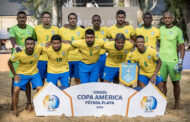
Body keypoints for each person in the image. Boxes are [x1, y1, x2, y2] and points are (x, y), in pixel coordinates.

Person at [8, 37, 43, 116]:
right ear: (25, 45)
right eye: (27, 44)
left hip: (34, 73)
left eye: (31, 44)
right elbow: (9, 62)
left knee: (40, 89)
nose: (29, 46)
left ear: (34, 45)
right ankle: (15, 110)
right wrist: (15, 75)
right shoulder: (19, 53)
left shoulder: (38, 48)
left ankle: (39, 107)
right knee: (16, 90)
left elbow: (48, 43)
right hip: (21, 74)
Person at [8, 11, 36, 110]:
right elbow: (12, 39)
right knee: (15, 80)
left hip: (28, 58)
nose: (22, 19)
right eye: (20, 17)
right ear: (17, 19)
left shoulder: (31, 29)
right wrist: (16, 46)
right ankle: (13, 103)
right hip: (17, 58)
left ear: (26, 19)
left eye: (23, 17)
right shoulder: (13, 29)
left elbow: (35, 40)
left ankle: (28, 103)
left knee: (27, 80)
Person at [160, 12, 185, 109]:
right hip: (162, 61)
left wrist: (180, 61)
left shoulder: (177, 30)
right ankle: (163, 103)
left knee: (176, 83)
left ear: (172, 18)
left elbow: (182, 46)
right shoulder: (160, 29)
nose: (167, 19)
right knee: (162, 83)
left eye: (168, 18)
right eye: (165, 18)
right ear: (163, 19)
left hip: (173, 61)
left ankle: (177, 104)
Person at [58, 12, 84, 85]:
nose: (72, 20)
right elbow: (57, 40)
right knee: (66, 81)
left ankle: (77, 95)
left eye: (74, 19)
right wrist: (75, 43)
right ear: (68, 20)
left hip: (78, 59)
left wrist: (67, 42)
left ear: (77, 20)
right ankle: (67, 96)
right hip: (66, 59)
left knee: (78, 80)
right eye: (71, 19)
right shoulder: (62, 30)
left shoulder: (81, 30)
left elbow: (84, 42)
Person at [34, 11, 59, 83]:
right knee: (41, 80)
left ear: (51, 19)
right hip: (40, 58)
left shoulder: (56, 29)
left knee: (53, 81)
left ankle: (53, 94)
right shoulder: (36, 28)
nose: (46, 19)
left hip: (52, 58)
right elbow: (33, 40)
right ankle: (41, 94)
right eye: (45, 17)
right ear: (42, 19)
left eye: (48, 17)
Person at [86, 15, 108, 82]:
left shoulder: (106, 30)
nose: (96, 22)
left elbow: (112, 38)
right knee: (92, 76)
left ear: (100, 21)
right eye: (94, 21)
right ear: (92, 22)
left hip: (102, 57)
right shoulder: (88, 31)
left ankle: (101, 90)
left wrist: (125, 23)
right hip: (91, 57)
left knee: (102, 76)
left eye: (98, 20)